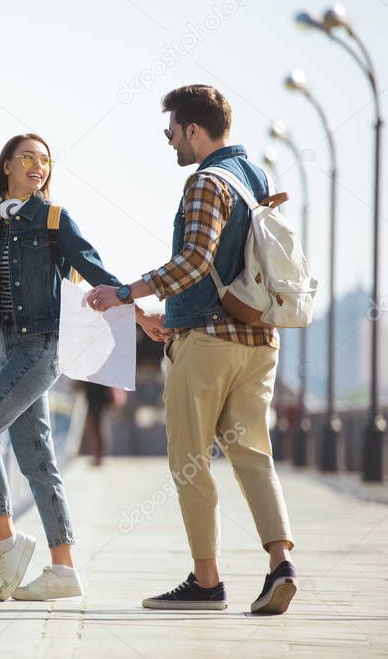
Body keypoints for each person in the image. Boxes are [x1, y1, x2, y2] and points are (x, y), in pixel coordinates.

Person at [0, 133, 167, 602]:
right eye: (28, 158)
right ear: (7, 165)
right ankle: (64, 570)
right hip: (10, 348)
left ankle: (8, 542)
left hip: (44, 348)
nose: (38, 167)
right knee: (38, 461)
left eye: (45, 161)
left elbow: (97, 272)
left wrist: (141, 315)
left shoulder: (54, 218)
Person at [86, 85, 297, 615]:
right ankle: (281, 565)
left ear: (193, 130)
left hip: (209, 344)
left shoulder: (204, 181)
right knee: (253, 455)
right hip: (258, 341)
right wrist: (168, 318)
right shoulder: (255, 178)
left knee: (189, 461)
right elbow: (229, 266)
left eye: (172, 132)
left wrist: (127, 292)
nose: (171, 142)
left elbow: (195, 262)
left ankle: (207, 582)